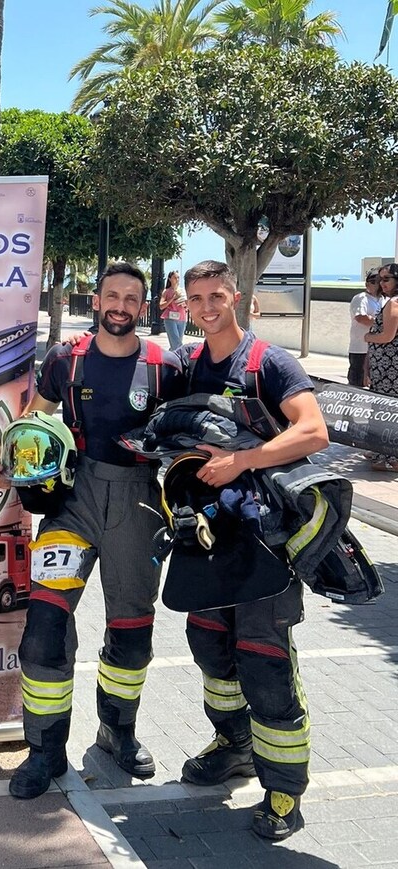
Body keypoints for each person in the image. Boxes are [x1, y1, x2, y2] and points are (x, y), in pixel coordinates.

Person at [0, 262, 185, 799]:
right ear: (96, 301)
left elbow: (190, 432)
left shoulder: (166, 365)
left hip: (139, 505)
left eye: (131, 298)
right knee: (45, 630)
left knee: (130, 631)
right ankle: (44, 751)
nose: (121, 305)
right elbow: (34, 415)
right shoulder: (65, 360)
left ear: (143, 308)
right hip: (71, 504)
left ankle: (116, 733)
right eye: (112, 296)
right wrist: (3, 454)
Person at [175, 260, 329, 840]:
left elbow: (313, 431)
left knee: (264, 661)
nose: (208, 306)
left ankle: (284, 790)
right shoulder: (188, 366)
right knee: (210, 647)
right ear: (184, 305)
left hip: (267, 543)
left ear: (236, 298)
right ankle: (233, 744)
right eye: (197, 298)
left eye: (217, 295)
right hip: (209, 538)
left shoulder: (270, 362)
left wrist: (244, 459)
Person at [365, 263, 398, 471]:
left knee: (385, 409)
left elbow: (387, 336)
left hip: (389, 368)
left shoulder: (393, 304)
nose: (382, 284)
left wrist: (368, 336)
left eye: (386, 279)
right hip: (386, 366)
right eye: (379, 279)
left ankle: (389, 456)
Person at [348, 270, 382, 387]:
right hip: (360, 349)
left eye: (379, 281)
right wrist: (382, 323)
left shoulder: (383, 300)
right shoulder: (361, 298)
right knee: (358, 383)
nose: (377, 284)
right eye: (374, 282)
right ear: (367, 284)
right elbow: (361, 318)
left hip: (376, 349)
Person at [157, 270, 188, 351]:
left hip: (182, 318)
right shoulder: (166, 291)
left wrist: (185, 305)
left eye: (178, 277)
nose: (177, 279)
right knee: (176, 342)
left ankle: (171, 358)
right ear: (170, 279)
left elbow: (188, 304)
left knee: (177, 342)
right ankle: (182, 357)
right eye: (175, 277)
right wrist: (172, 298)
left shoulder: (183, 291)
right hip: (170, 318)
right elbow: (161, 306)